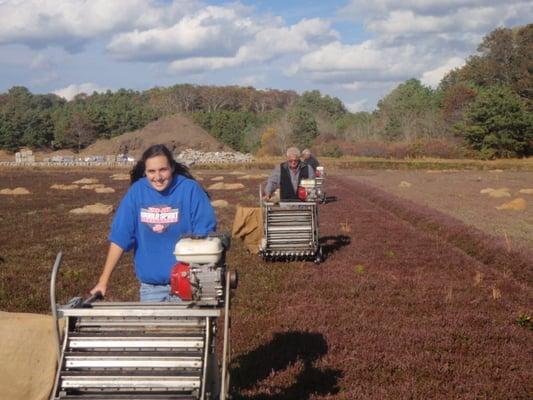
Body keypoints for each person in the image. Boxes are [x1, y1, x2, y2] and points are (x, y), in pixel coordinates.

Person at [90, 144, 216, 302]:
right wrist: (103, 281)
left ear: (172, 168)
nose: (158, 177)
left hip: (188, 285)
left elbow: (205, 234)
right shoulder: (137, 192)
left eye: (163, 169)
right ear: (145, 171)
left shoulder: (190, 190)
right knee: (153, 328)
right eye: (151, 171)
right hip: (151, 290)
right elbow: (120, 237)